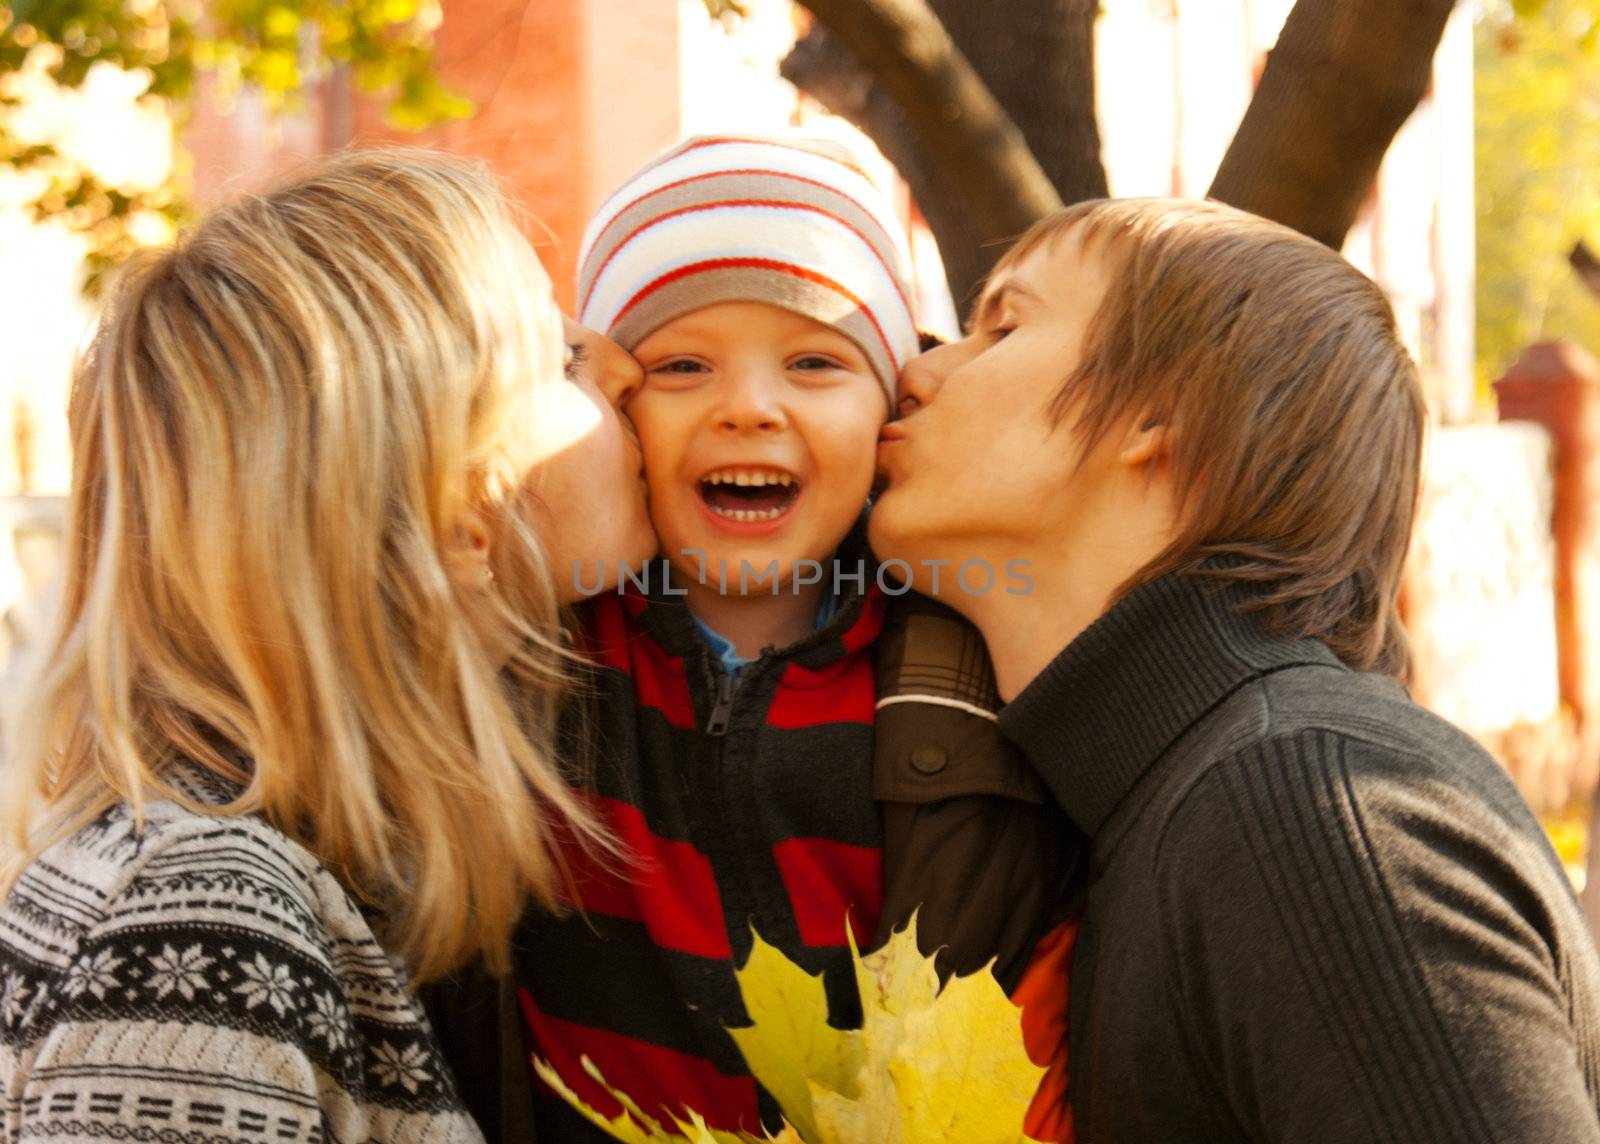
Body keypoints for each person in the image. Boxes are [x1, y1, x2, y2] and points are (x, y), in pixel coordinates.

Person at [870, 196, 1600, 1142]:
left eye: (1005, 324)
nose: (918, 369)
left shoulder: (1311, 808)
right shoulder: (1168, 799)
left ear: (1161, 414)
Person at [0, 149, 655, 1142]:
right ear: (462, 517)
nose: (623, 363)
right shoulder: (200, 928)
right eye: (561, 359)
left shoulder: (289, 860)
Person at [490, 133, 1078, 1142]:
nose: (750, 408)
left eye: (815, 362)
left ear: (891, 406)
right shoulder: (534, 647)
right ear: (612, 407)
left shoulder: (967, 654)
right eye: (681, 365)